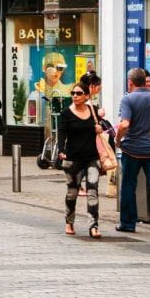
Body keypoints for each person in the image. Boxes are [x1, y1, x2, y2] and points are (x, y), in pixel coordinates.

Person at [116, 68, 150, 236]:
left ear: (130, 82)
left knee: (128, 185)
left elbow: (125, 124)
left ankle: (128, 223)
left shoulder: (128, 99)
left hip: (132, 150)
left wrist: (118, 140)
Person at [57, 82, 103, 238]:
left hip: (92, 158)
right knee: (72, 193)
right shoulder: (66, 114)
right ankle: (69, 221)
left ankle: (93, 226)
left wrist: (99, 128)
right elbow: (61, 134)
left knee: (93, 191)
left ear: (86, 96)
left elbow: (102, 129)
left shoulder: (93, 111)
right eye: (73, 93)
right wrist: (62, 151)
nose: (75, 96)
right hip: (73, 159)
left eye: (78, 93)